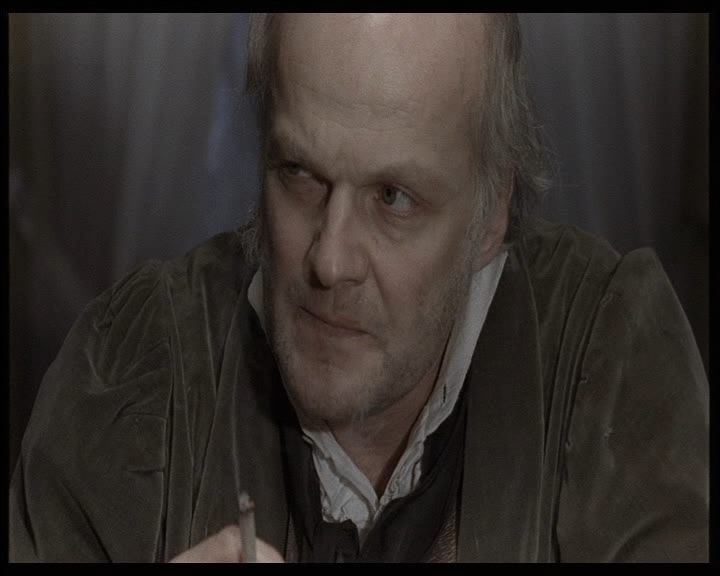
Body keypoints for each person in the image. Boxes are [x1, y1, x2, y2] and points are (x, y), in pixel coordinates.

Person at [9, 13, 708, 563]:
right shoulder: (130, 370)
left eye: (393, 197)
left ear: (492, 209)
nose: (329, 260)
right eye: (299, 173)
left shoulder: (608, 360)